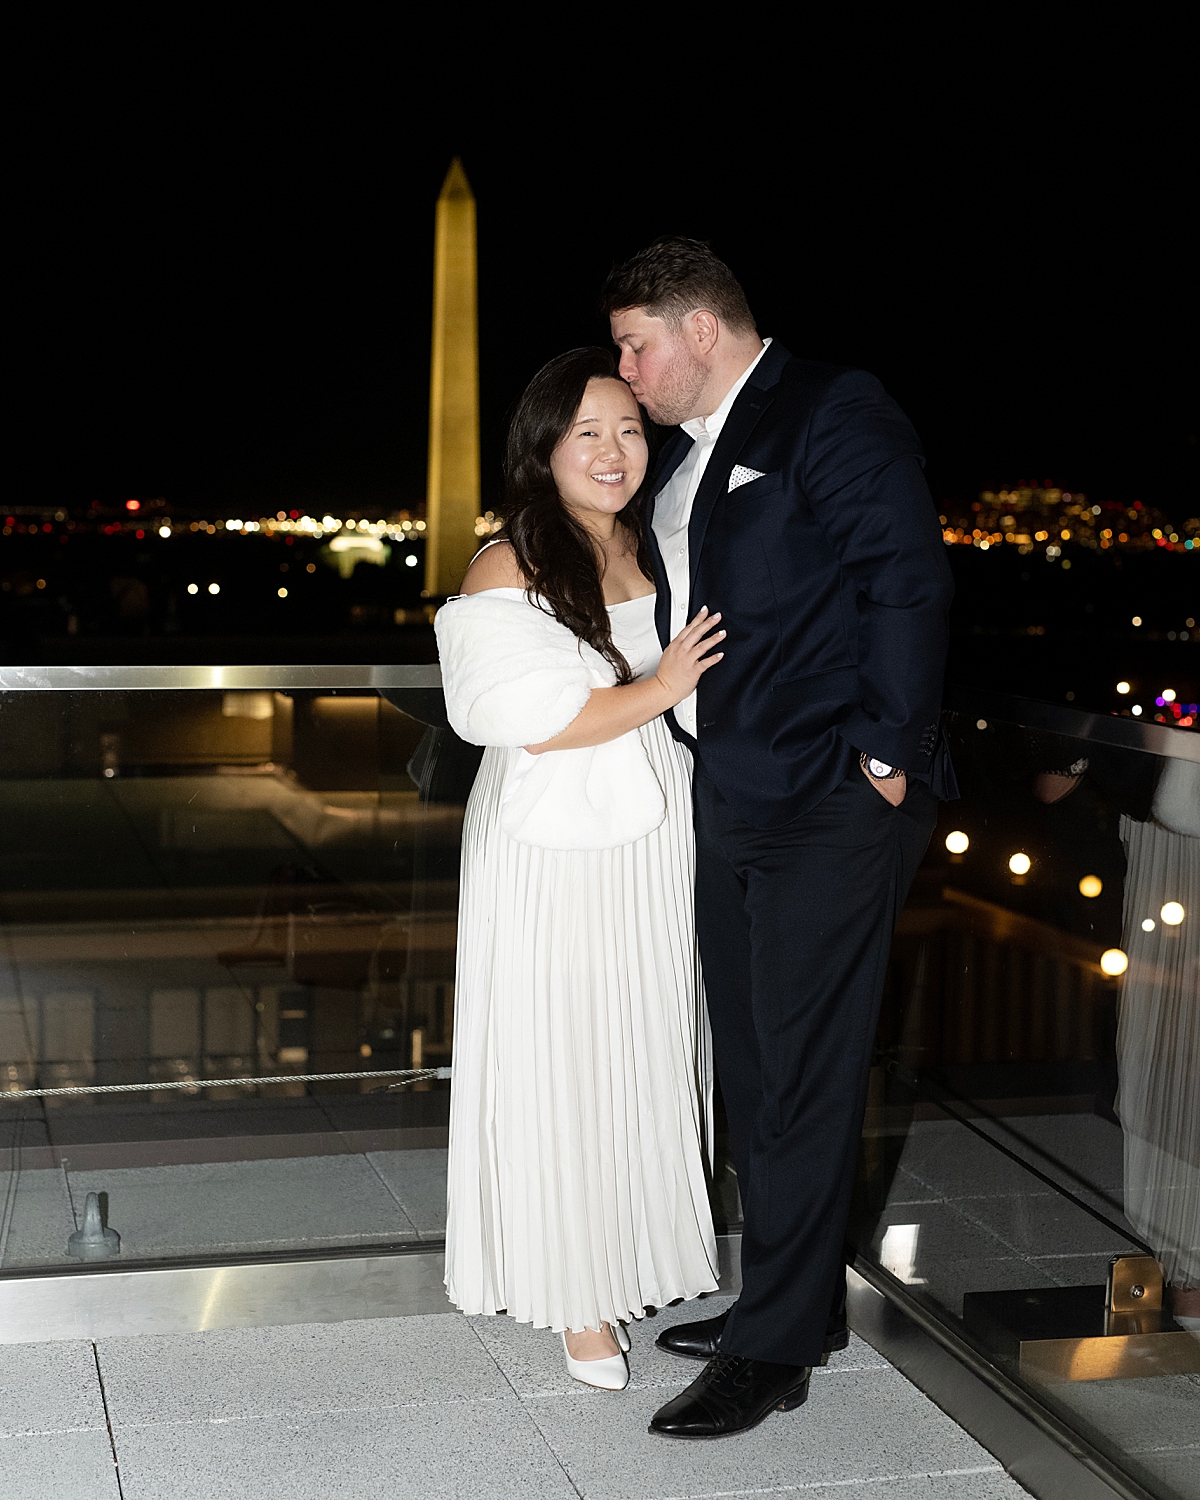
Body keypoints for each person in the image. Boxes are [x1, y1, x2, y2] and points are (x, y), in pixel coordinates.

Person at [601, 238, 956, 1437]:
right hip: (728, 792)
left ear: (702, 329)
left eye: (635, 345)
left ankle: (776, 1351)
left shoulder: (832, 408)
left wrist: (884, 762)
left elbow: (903, 580)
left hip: (827, 799)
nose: (629, 373)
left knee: (802, 1074)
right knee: (754, 1066)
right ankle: (790, 1301)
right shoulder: (696, 457)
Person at [436, 347, 726, 1390]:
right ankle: (574, 1296)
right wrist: (666, 683)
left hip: (651, 829)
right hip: (547, 849)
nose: (613, 452)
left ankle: (631, 1256)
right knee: (559, 1053)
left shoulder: (650, 541)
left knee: (642, 1043)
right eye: (587, 433)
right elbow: (514, 717)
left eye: (630, 429)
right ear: (542, 447)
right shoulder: (508, 561)